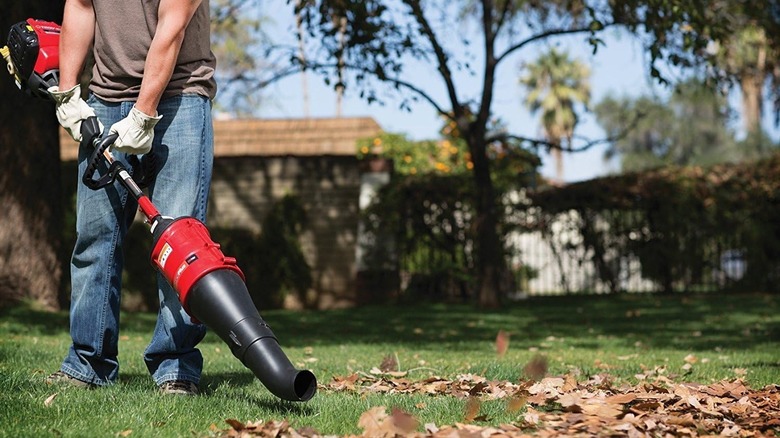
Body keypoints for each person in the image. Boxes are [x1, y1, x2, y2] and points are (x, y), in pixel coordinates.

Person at [45, 0, 217, 396]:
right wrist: (69, 93)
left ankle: (175, 369)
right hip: (104, 99)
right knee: (94, 240)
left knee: (182, 245)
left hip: (179, 97)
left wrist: (143, 114)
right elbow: (81, 6)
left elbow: (171, 26)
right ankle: (88, 364)